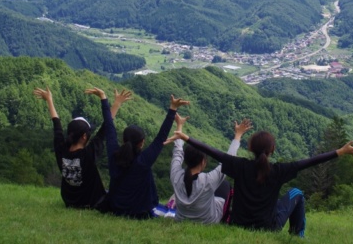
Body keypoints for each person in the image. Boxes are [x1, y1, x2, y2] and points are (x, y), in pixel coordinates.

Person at [167, 129, 353, 237]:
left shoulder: (240, 166)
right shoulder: (278, 171)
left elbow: (212, 151)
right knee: (296, 193)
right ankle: (297, 236)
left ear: (251, 148)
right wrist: (339, 152)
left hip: (239, 223)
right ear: (272, 150)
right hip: (267, 227)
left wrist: (186, 137)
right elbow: (309, 162)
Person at [33, 86, 132, 209]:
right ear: (85, 136)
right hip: (92, 202)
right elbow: (106, 127)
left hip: (70, 201)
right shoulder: (88, 154)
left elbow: (56, 125)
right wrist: (113, 101)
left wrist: (49, 100)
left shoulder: (61, 150)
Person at [100, 89, 189, 219]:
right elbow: (161, 137)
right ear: (142, 143)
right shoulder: (143, 161)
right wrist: (173, 108)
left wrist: (105, 100)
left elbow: (109, 128)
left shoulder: (114, 155)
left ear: (123, 140)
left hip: (115, 207)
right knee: (174, 214)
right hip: (139, 211)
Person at [169, 116, 253, 224]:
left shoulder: (176, 175)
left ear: (186, 159)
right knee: (225, 185)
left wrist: (179, 125)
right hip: (209, 221)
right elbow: (229, 160)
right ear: (203, 161)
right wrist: (238, 135)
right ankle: (226, 218)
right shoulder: (208, 180)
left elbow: (177, 152)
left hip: (180, 219)